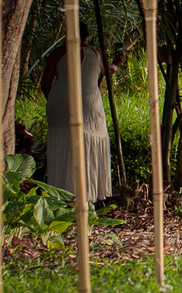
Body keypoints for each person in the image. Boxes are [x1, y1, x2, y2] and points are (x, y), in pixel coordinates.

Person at [40, 23, 124, 202]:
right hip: (89, 106)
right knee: (91, 142)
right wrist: (118, 62)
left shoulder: (57, 53)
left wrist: (58, 102)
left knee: (64, 144)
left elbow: (45, 84)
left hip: (59, 105)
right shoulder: (95, 54)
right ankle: (89, 195)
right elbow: (109, 70)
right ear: (87, 37)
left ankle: (61, 196)